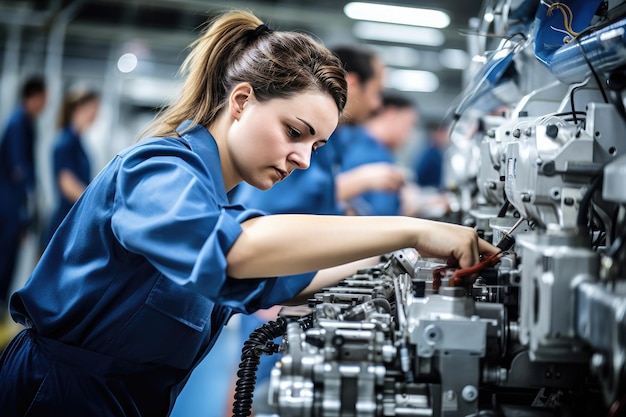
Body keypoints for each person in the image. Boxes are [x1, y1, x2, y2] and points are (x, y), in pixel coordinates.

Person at [0, 11, 497, 417]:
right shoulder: (157, 169)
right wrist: (414, 227)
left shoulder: (215, 198)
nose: (304, 159)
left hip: (127, 401)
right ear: (241, 101)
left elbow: (285, 277)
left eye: (317, 145)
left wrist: (401, 250)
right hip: (56, 396)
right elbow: (236, 251)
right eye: (295, 131)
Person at [233, 44, 404, 215]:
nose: (377, 105)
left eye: (315, 146)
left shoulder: (335, 141)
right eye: (294, 132)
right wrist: (361, 180)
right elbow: (276, 204)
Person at [0, 76, 46, 312]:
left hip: (12, 201)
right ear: (34, 96)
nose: (45, 105)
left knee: (8, 257)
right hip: (9, 203)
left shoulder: (25, 122)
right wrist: (31, 200)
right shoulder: (19, 123)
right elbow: (19, 168)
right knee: (5, 258)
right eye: (43, 99)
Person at [336, 92, 418, 216]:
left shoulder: (381, 151)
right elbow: (378, 212)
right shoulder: (360, 148)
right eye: (409, 125)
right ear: (391, 115)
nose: (409, 135)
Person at [41, 86, 100, 249]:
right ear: (80, 108)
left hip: (73, 219)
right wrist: (96, 205)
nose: (97, 113)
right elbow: (67, 185)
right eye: (94, 107)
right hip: (64, 220)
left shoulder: (79, 143)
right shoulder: (66, 142)